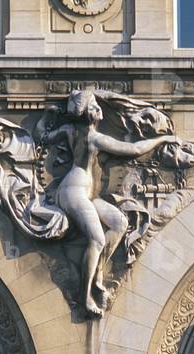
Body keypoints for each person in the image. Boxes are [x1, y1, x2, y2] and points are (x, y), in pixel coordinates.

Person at [38, 90, 176, 316]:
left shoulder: (67, 130)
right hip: (74, 192)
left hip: (84, 193)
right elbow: (134, 149)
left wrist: (47, 117)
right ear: (90, 114)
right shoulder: (94, 138)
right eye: (95, 106)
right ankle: (85, 297)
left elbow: (42, 135)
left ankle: (98, 269)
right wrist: (163, 138)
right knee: (97, 238)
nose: (100, 109)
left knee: (120, 223)